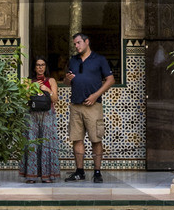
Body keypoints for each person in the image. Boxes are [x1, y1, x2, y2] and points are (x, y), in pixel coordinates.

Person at [67, 30, 115, 182]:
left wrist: (96, 95)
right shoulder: (73, 60)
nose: (76, 46)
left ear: (87, 42)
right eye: (74, 44)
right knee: (77, 139)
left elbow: (110, 80)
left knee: (96, 139)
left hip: (93, 106)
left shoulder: (99, 59)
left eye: (78, 43)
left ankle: (97, 172)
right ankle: (80, 171)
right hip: (76, 105)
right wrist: (67, 79)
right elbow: (66, 82)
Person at [22, 57, 63, 183]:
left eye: (42, 65)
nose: (40, 67)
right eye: (38, 65)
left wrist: (48, 90)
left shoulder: (51, 81)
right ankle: (31, 176)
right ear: (34, 67)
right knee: (32, 143)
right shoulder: (28, 81)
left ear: (46, 67)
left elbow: (55, 100)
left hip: (47, 115)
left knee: (47, 144)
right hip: (32, 115)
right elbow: (24, 98)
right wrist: (32, 88)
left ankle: (47, 176)